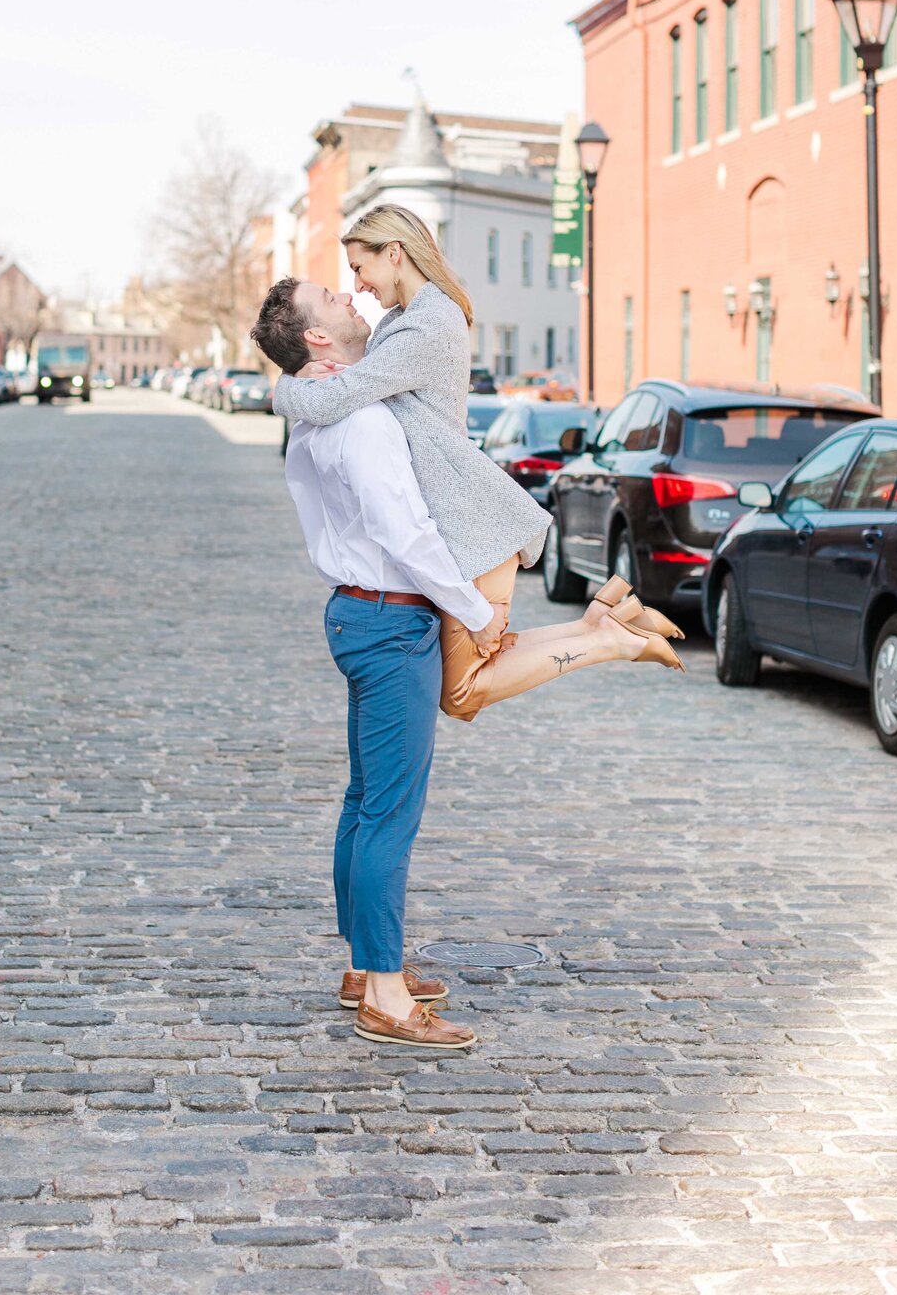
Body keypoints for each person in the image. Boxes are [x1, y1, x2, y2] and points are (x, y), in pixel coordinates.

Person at [251, 278, 678, 1053]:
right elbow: (408, 535)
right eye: (330, 298)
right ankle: (384, 996)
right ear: (315, 339)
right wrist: (478, 612)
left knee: (364, 801)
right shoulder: (365, 420)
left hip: (356, 611)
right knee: (389, 813)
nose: (349, 297)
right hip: (390, 619)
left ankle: (364, 969)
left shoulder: (317, 415)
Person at [269, 205, 683, 723]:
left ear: (394, 254)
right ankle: (603, 623)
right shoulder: (402, 323)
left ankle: (610, 641)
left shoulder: (425, 326)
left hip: (473, 524)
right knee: (474, 666)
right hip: (459, 524)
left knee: (462, 691)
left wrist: (284, 383)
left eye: (359, 267)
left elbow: (337, 398)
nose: (357, 284)